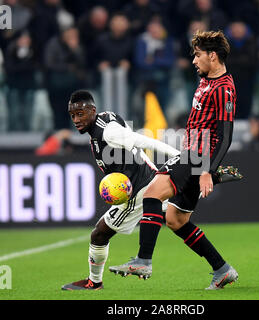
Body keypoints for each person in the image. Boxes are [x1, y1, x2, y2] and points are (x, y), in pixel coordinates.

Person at [62, 89, 242, 290]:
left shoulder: (108, 132)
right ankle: (222, 268)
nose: (76, 120)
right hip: (149, 179)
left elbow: (145, 142)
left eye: (80, 114)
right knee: (177, 222)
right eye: (73, 116)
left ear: (92, 110)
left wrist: (193, 164)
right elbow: (132, 146)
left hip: (136, 192)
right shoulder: (106, 119)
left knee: (99, 234)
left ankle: (94, 282)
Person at [110, 30, 239, 290]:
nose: (193, 60)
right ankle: (222, 269)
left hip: (197, 156)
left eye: (198, 55)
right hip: (192, 154)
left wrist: (206, 171)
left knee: (151, 195)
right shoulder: (206, 80)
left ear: (212, 56)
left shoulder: (224, 89)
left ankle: (143, 260)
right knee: (175, 220)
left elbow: (226, 137)